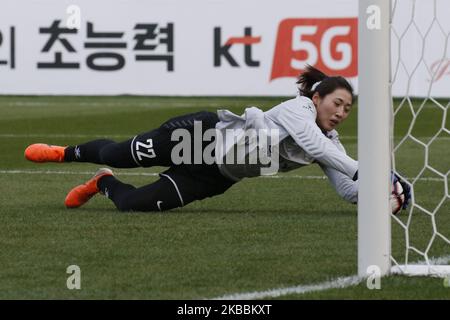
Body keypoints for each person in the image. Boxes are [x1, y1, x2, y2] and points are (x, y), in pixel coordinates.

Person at [24, 65, 408, 213]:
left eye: (348, 109)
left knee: (134, 204)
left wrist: (383, 196)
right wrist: (376, 173)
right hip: (201, 137)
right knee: (120, 152)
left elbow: (346, 188)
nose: (341, 113)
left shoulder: (332, 145)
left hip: (217, 176)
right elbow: (315, 146)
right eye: (337, 103)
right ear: (316, 98)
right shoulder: (299, 111)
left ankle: (101, 182)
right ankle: (64, 153)